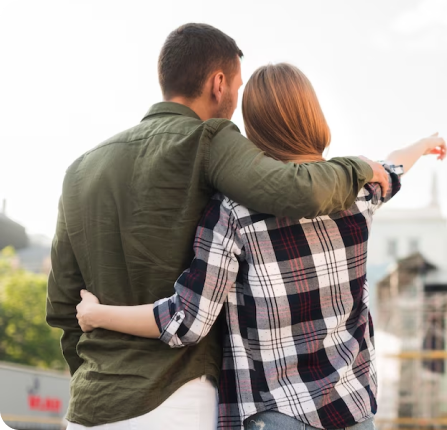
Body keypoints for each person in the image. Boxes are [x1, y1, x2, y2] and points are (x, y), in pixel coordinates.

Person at [46, 24, 389, 430]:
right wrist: (361, 166)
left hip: (91, 407)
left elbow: (64, 304)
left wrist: (92, 376)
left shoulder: (79, 171)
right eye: (239, 87)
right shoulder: (209, 140)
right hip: (180, 401)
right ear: (219, 83)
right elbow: (296, 191)